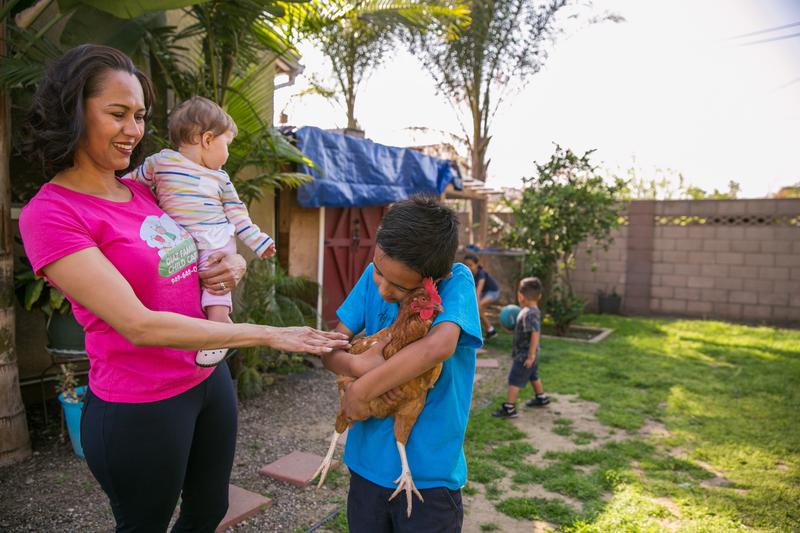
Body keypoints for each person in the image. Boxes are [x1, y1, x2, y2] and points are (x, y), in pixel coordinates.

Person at [18, 44, 349, 533]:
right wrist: (271, 334)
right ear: (74, 111)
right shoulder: (53, 214)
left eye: (139, 116)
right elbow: (137, 324)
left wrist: (232, 260)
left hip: (206, 379)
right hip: (141, 403)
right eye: (117, 114)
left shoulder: (143, 188)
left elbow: (204, 230)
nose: (134, 131)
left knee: (207, 512)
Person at [321, 197, 482, 533]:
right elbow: (330, 348)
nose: (381, 288)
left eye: (397, 287)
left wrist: (362, 388)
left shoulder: (457, 282)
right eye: (379, 272)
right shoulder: (371, 276)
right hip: (366, 465)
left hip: (429, 474)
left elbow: (439, 345)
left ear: (432, 281)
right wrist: (359, 364)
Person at [128, 96, 275, 367]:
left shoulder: (220, 179)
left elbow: (237, 214)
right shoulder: (160, 162)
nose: (228, 154)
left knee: (214, 278)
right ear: (207, 139)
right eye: (227, 145)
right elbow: (130, 184)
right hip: (177, 240)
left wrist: (258, 241)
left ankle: (218, 327)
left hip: (214, 239)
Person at [492, 277, 550, 418]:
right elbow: (525, 331)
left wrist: (530, 356)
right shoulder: (528, 311)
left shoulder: (530, 313)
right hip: (529, 354)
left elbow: (535, 333)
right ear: (540, 296)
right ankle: (541, 398)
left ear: (520, 296)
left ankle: (509, 408)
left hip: (524, 355)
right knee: (533, 375)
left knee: (514, 379)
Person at [463, 253, 500, 340]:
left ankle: (484, 332)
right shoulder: (469, 274)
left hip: (492, 292)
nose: (468, 267)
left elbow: (478, 291)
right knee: (478, 310)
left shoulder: (481, 274)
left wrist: (474, 303)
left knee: (477, 308)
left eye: (470, 265)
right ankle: (490, 331)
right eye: (466, 265)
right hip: (483, 292)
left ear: (477, 265)